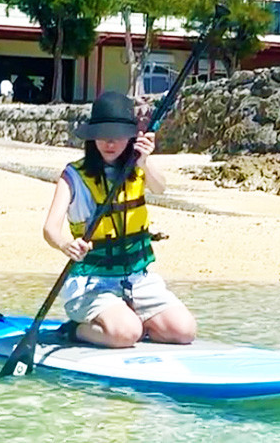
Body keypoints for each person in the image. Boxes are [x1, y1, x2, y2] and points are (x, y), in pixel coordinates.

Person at [42, 91, 197, 348]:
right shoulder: (73, 175)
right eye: (103, 135)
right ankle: (74, 330)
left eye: (117, 135)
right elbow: (50, 228)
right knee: (125, 334)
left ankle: (130, 321)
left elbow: (160, 188)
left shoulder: (137, 167)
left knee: (184, 331)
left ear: (131, 137)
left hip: (137, 279)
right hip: (92, 283)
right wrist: (65, 244)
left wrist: (145, 161)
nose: (109, 143)